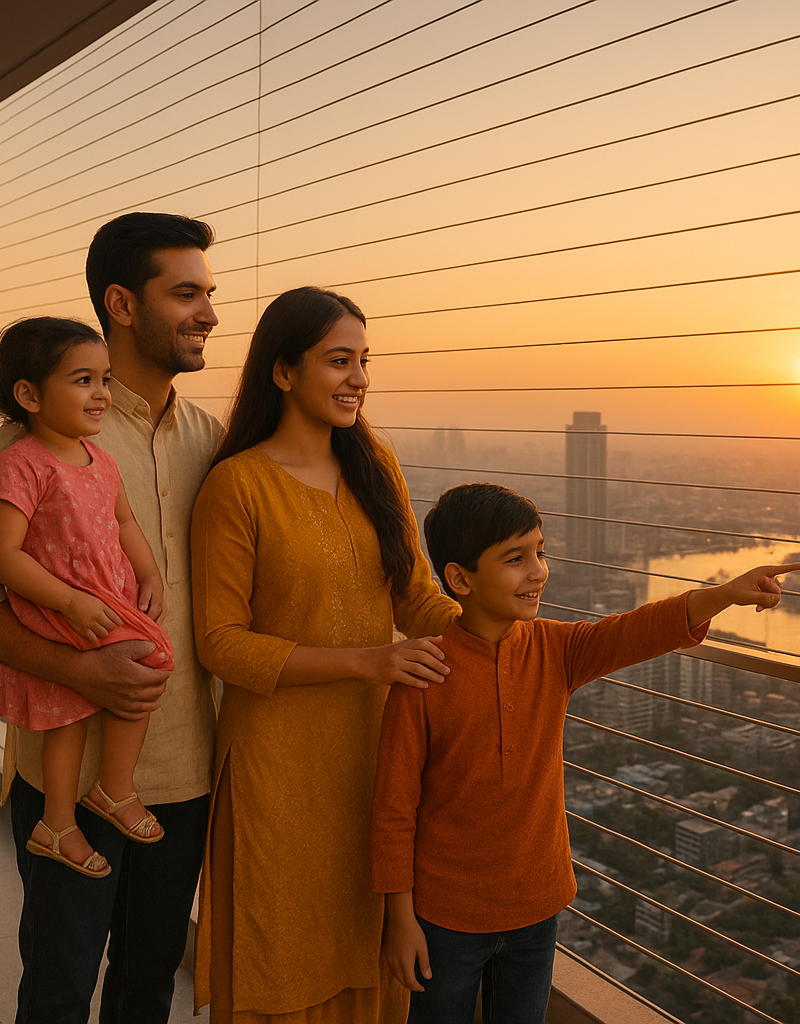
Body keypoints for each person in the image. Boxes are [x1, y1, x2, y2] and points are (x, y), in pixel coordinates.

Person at [370, 482, 800, 1023]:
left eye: (540, 552)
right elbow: (392, 811)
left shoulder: (556, 650)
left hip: (537, 909)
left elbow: (635, 631)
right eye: (515, 559)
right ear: (460, 578)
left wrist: (724, 593)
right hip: (445, 919)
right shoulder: (423, 677)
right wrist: (400, 919)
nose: (538, 571)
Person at [0, 212, 222, 1024]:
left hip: (183, 775)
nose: (208, 313)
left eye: (210, 293)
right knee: (58, 990)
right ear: (122, 304)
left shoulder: (215, 440)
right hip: (64, 775)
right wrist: (75, 664)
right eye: (187, 293)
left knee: (147, 987)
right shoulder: (35, 441)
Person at [189, 286, 461, 1023]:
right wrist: (368, 662)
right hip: (277, 772)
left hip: (374, 758)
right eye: (339, 361)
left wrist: (497, 627)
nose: (358, 379)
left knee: (369, 952)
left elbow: (415, 597)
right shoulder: (236, 486)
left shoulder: (374, 464)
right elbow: (220, 644)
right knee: (282, 958)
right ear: (283, 372)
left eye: (364, 362)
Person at [0, 316, 175, 878]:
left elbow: (127, 524)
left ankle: (56, 824)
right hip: (62, 606)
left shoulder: (103, 461)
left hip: (100, 600)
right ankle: (114, 788)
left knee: (68, 711)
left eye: (105, 380)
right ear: (29, 395)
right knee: (150, 658)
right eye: (83, 380)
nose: (101, 395)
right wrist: (69, 601)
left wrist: (151, 576)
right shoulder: (20, 463)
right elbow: (3, 556)